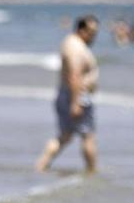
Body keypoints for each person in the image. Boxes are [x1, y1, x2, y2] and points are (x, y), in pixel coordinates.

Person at [35, 15, 100, 174]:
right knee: (87, 136)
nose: (93, 36)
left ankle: (41, 166)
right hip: (76, 96)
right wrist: (76, 103)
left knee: (66, 135)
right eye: (91, 32)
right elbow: (74, 75)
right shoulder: (75, 47)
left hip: (71, 95)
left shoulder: (73, 44)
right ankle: (92, 172)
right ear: (81, 30)